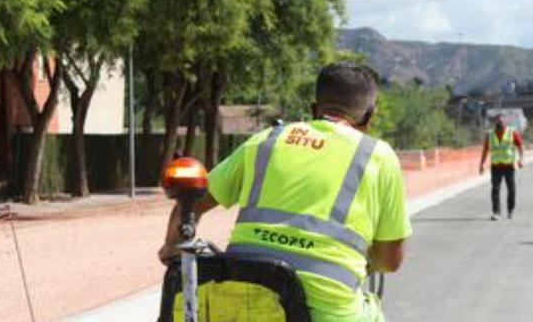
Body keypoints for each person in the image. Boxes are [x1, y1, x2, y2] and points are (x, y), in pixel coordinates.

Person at [158, 61, 412, 322]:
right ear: (369, 117)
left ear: (314, 109)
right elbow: (390, 261)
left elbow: (192, 203)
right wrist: (365, 262)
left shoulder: (267, 139)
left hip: (246, 299)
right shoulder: (378, 156)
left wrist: (171, 248)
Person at [479, 114, 524, 220]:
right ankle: (496, 212)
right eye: (498, 121)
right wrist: (481, 164)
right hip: (496, 166)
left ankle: (510, 210)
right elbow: (485, 150)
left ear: (505, 122)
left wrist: (520, 160)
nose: (500, 123)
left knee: (511, 189)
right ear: (495, 123)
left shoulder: (512, 132)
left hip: (509, 165)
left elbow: (520, 146)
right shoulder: (490, 135)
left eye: (502, 121)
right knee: (495, 189)